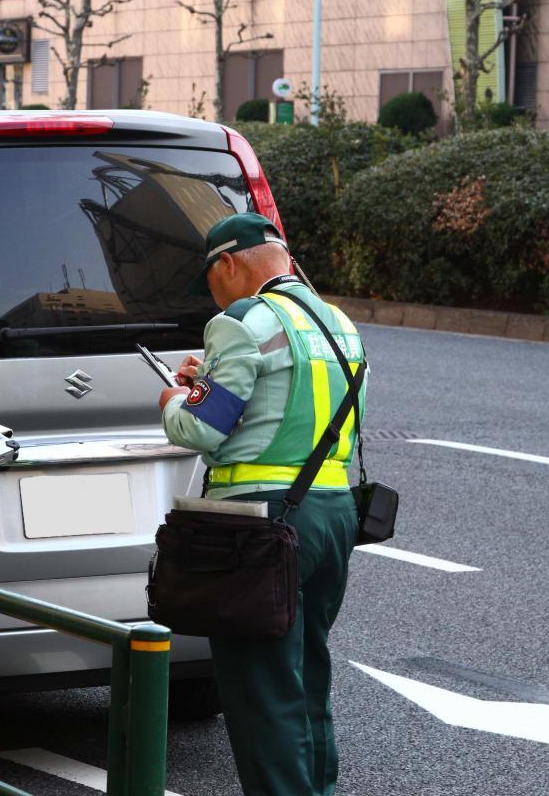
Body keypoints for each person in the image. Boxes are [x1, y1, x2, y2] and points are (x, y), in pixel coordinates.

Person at [157, 212, 366, 796]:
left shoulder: (242, 321)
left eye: (210, 279)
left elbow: (201, 428)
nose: (213, 295)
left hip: (259, 525)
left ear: (227, 264)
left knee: (260, 695)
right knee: (306, 682)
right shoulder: (339, 321)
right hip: (331, 513)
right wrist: (212, 381)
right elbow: (286, 402)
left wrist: (175, 396)